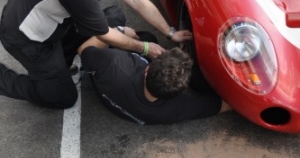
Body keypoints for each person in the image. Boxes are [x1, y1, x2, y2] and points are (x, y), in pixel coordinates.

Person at [0, 0, 193, 109]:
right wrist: (144, 48)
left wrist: (170, 32)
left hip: (52, 23)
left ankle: (59, 66)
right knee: (62, 96)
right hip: (27, 37)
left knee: (113, 15)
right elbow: (104, 33)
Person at [77, 37, 232, 125]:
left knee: (116, 18)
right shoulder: (176, 109)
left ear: (147, 69)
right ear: (179, 91)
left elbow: (83, 49)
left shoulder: (115, 63)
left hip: (109, 81)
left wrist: (120, 31)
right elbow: (226, 105)